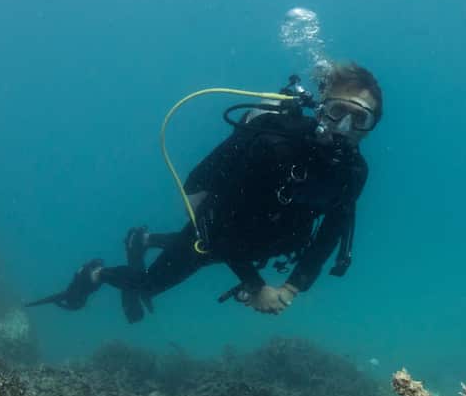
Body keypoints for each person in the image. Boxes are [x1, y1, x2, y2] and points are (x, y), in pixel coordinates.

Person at [27, 62, 382, 321]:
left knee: (232, 248)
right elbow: (220, 224)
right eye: (337, 111)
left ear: (371, 126)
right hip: (214, 231)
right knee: (148, 284)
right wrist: (256, 285)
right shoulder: (275, 145)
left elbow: (331, 234)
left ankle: (145, 239)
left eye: (360, 118)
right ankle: (94, 274)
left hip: (268, 241)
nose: (346, 126)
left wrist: (291, 287)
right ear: (321, 108)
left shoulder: (354, 172)